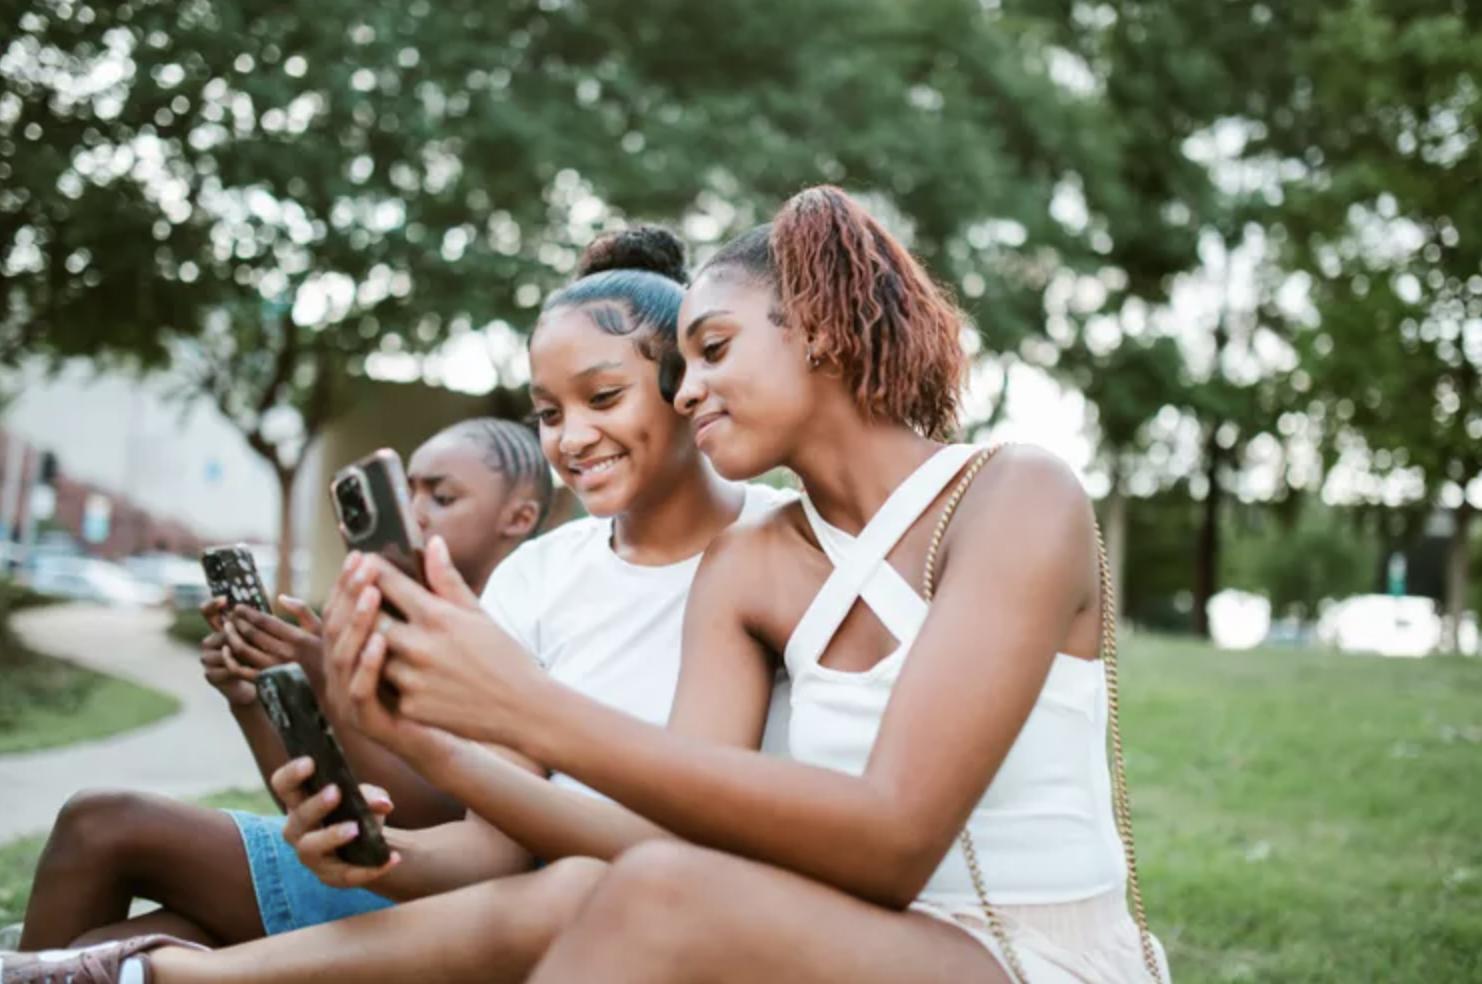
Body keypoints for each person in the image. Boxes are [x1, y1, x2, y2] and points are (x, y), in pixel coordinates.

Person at [3, 188, 1171, 984]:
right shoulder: (754, 567)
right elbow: (646, 838)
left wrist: (522, 704)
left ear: (817, 327)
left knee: (652, 898)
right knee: (625, 885)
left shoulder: (1016, 494)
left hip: (1020, 951)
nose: (689, 390)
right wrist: (424, 739)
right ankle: (164, 977)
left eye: (712, 350)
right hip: (842, 938)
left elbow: (896, 839)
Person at [15, 418, 553, 951]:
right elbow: (316, 803)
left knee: (102, 820)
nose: (414, 511)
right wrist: (250, 697)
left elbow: (443, 815)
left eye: (442, 497)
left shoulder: (519, 631)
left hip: (433, 890)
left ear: (519, 517)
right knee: (114, 947)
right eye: (406, 491)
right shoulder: (394, 623)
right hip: (355, 861)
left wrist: (328, 686)